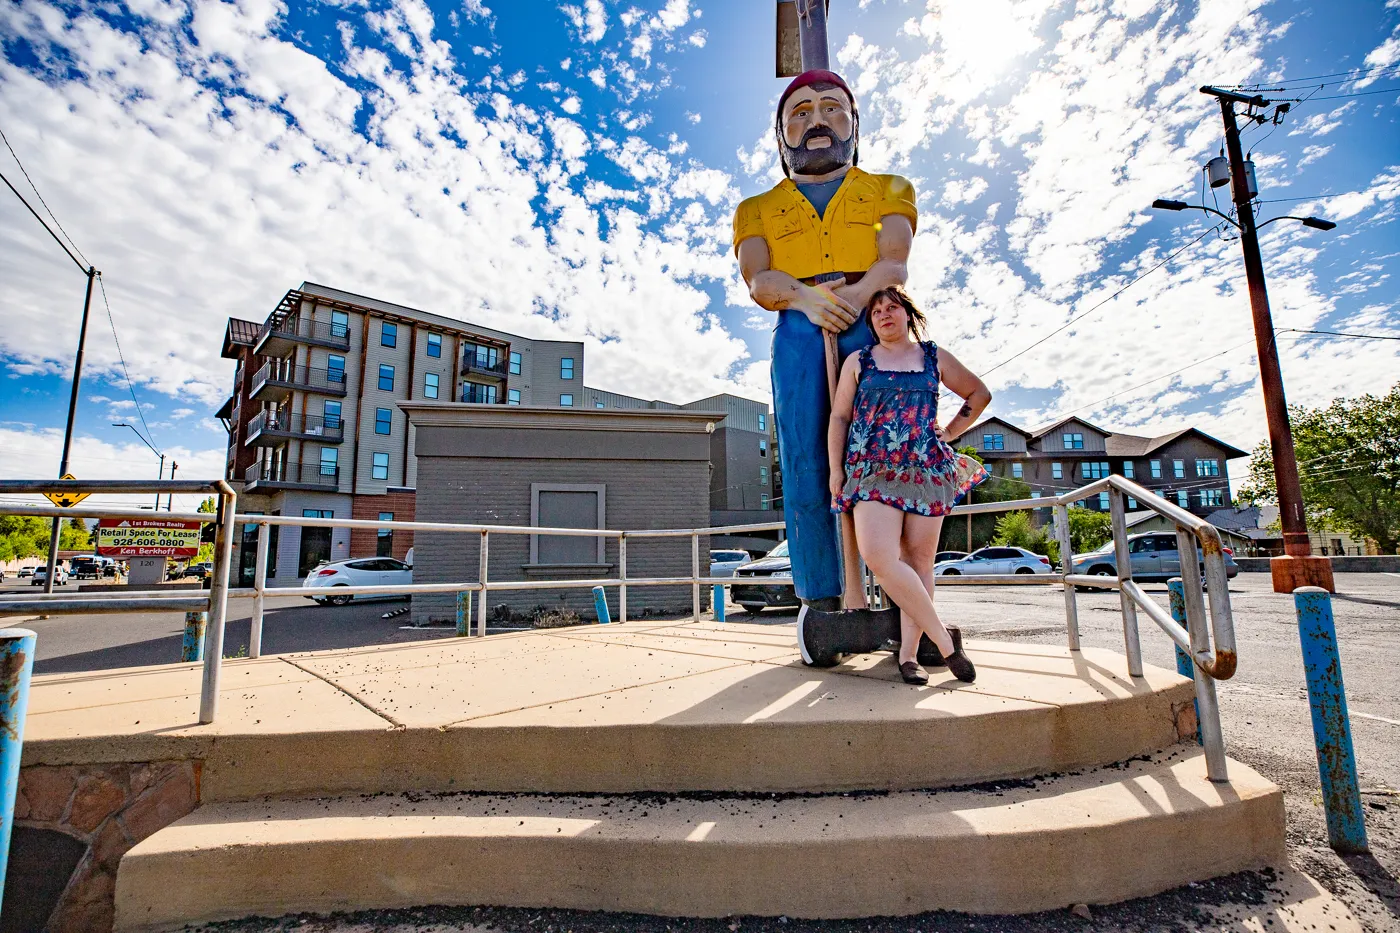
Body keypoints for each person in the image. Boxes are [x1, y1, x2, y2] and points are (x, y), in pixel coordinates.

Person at [733, 69, 916, 618]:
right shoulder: (757, 208)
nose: (817, 121)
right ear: (782, 133)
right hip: (798, 328)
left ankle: (905, 594)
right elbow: (759, 279)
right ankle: (822, 596)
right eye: (801, 112)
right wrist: (809, 302)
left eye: (832, 109)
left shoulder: (890, 188)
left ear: (854, 124)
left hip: (873, 320)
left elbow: (894, 262)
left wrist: (855, 298)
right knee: (806, 456)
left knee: (891, 452)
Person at [828, 286, 991, 685]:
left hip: (926, 470)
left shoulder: (933, 357)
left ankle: (909, 656)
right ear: (872, 322)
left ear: (907, 314)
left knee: (920, 563)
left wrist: (949, 433)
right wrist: (836, 470)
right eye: (877, 310)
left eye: (892, 307)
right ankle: (946, 644)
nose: (884, 314)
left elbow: (979, 394)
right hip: (872, 470)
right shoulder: (858, 361)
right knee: (881, 557)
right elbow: (840, 418)